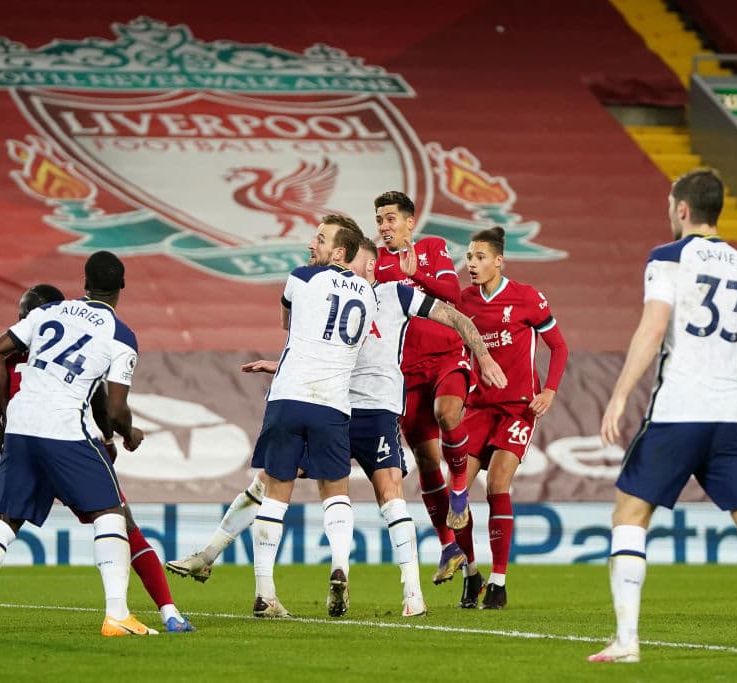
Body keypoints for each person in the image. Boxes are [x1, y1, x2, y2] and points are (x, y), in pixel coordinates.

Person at [167, 236, 507, 617]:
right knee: (285, 484)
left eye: (355, 262)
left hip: (357, 409)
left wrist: (483, 357)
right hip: (341, 406)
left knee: (349, 491)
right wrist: (281, 365)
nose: (346, 269)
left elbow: (455, 315)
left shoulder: (391, 293)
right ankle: (213, 555)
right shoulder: (356, 295)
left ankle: (402, 590)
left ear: (370, 265)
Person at [588, 169, 737, 664]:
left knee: (629, 514)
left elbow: (653, 329)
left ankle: (627, 640)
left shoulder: (669, 257)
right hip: (728, 417)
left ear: (683, 209)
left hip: (677, 411)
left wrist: (620, 395)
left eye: (670, 207)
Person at [0, 283, 193, 635]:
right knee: (119, 521)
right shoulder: (80, 350)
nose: (22, 321)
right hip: (71, 447)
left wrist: (19, 453)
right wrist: (109, 440)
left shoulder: (7, 360)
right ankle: (166, 613)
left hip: (24, 446)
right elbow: (102, 404)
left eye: (24, 315)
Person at [247, 216, 377, 619]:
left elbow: (286, 323)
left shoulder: (302, 277)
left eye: (320, 239)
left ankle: (265, 593)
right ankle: (340, 567)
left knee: (275, 493)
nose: (311, 245)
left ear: (339, 252)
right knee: (336, 493)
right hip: (333, 404)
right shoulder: (369, 294)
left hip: (289, 397)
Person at [447, 226, 568, 609]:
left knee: (497, 485)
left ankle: (498, 583)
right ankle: (471, 574)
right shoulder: (463, 300)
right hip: (478, 408)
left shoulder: (527, 298)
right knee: (456, 493)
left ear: (499, 261)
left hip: (518, 408)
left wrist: (549, 391)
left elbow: (559, 346)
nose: (472, 263)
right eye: (469, 256)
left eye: (480, 257)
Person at [373, 190, 474, 586]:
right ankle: (450, 547)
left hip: (447, 354)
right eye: (379, 220)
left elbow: (452, 295)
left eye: (391, 218)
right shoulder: (377, 264)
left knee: (447, 413)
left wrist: (416, 274)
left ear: (409, 221)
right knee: (427, 462)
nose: (384, 226)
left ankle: (460, 487)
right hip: (407, 370)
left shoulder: (432, 248)